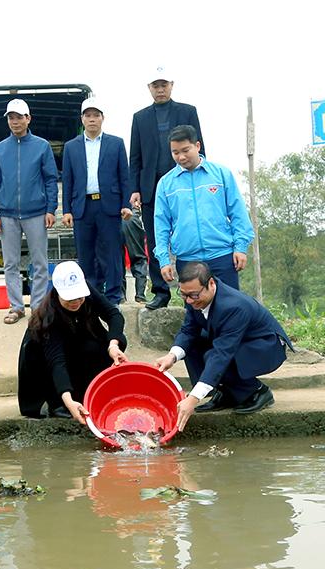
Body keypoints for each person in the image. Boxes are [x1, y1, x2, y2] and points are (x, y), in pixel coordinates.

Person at [153, 261, 292, 430]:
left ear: (211, 283)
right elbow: (188, 331)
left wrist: (193, 398)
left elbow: (222, 354)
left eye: (194, 295)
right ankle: (226, 393)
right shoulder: (193, 297)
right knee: (194, 344)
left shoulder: (234, 306)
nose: (189, 301)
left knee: (214, 357)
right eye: (183, 295)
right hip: (238, 341)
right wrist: (172, 356)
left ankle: (257, 391)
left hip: (265, 346)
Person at [129, 67, 207, 310]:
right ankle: (161, 292)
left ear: (171, 85)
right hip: (152, 189)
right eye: (155, 85)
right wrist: (135, 189)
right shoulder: (139, 118)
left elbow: (200, 148)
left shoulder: (187, 111)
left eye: (164, 84)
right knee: (155, 241)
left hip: (184, 186)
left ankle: (192, 291)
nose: (160, 89)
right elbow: (136, 157)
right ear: (149, 88)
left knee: (189, 238)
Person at [17, 261, 128, 422]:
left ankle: (90, 390)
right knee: (57, 362)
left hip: (73, 347)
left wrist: (113, 345)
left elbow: (113, 314)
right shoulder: (48, 317)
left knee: (115, 341)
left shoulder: (87, 293)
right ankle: (57, 402)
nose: (76, 301)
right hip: (45, 365)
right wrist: (68, 402)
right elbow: (57, 363)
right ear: (57, 292)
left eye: (79, 296)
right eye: (70, 298)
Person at [153, 125, 253, 291]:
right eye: (175, 152)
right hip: (187, 260)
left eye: (186, 150)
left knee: (229, 309)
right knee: (196, 311)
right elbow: (161, 225)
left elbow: (238, 213)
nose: (181, 157)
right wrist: (164, 260)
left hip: (222, 256)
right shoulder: (165, 184)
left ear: (197, 146)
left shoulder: (221, 174)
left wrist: (241, 247)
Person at [0, 99, 59, 324]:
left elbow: (50, 179)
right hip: (7, 214)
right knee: (10, 263)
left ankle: (37, 308)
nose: (15, 121)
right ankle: (16, 306)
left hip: (36, 212)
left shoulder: (41, 146)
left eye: (19, 117)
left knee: (39, 262)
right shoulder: (0, 149)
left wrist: (50, 208)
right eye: (11, 117)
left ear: (28, 119)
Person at [61, 97, 133, 304]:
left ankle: (113, 298)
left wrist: (125, 205)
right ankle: (91, 297)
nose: (92, 119)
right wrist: (67, 210)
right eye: (88, 115)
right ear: (82, 119)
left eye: (96, 115)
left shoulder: (116, 143)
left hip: (108, 205)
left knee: (112, 253)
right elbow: (68, 180)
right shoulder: (71, 147)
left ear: (103, 118)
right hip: (82, 207)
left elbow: (124, 176)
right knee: (86, 255)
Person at [121, 203, 149, 303]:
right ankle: (140, 295)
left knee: (117, 259)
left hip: (113, 213)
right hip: (132, 211)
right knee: (139, 258)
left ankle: (120, 296)